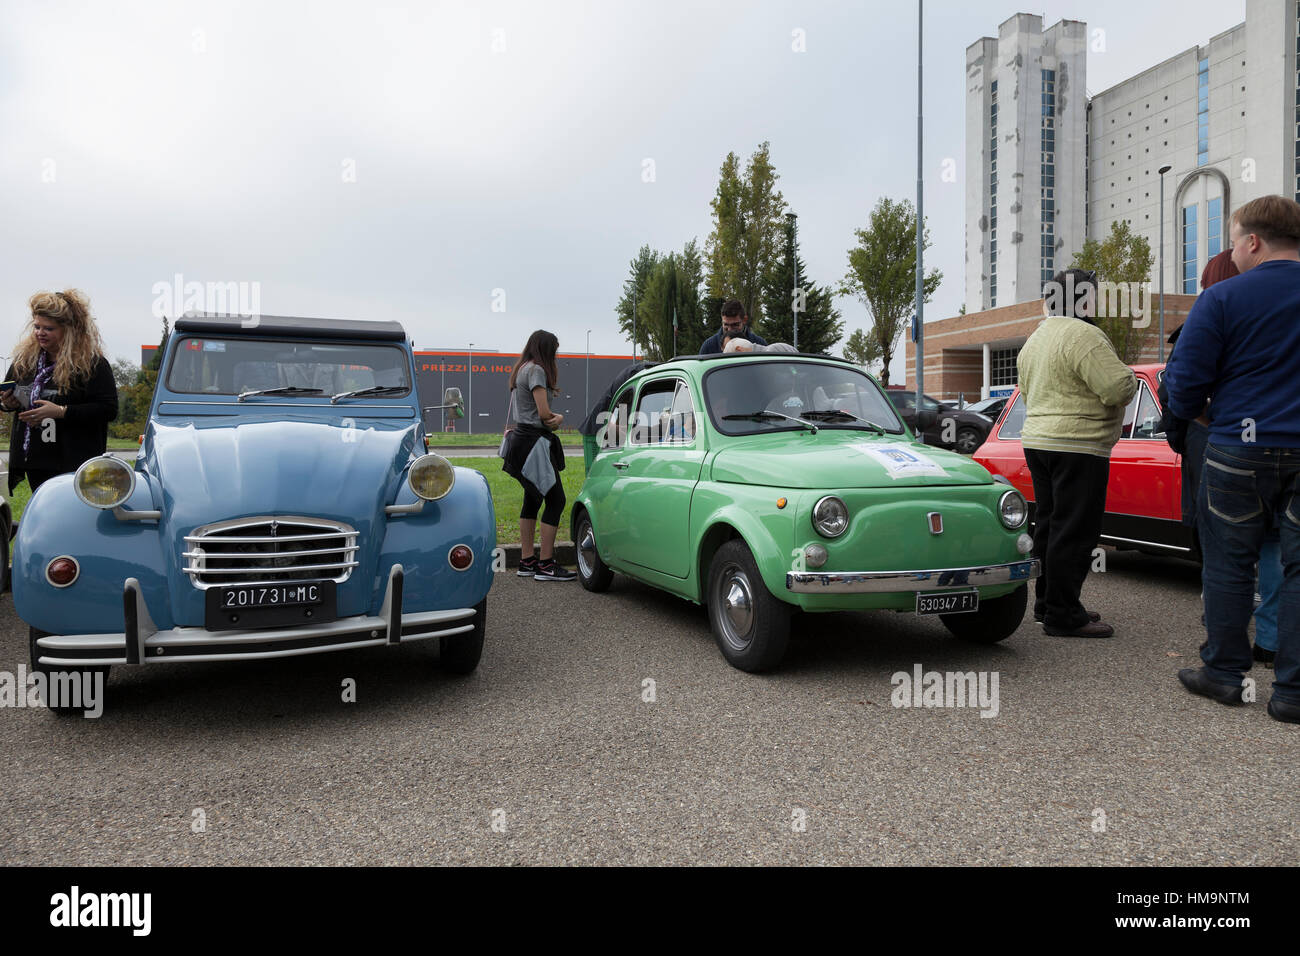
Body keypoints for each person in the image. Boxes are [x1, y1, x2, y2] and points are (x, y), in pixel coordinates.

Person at [1164, 195, 1300, 723]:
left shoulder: (1221, 299)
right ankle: (1291, 693)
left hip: (1237, 451)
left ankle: (1223, 674)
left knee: (1229, 564)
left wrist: (1209, 421)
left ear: (1252, 241)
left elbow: (1183, 387)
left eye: (1233, 240)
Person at [1159, 249, 1282, 666]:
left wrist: (1196, 422)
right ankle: (1273, 640)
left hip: (1222, 442)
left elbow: (1177, 386)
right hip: (1283, 443)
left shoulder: (1213, 309)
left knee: (1224, 552)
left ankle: (1224, 660)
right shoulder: (1279, 308)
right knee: (1276, 547)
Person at [1017, 268, 1138, 638]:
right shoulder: (1084, 335)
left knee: (1051, 526)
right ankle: (1064, 614)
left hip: (1038, 441)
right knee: (1076, 530)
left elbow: (1025, 389)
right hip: (1078, 444)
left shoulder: (1036, 338)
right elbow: (1117, 387)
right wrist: (1131, 378)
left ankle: (1046, 604)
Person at [3, 290, 118, 495]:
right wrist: (8, 403)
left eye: (49, 328)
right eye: (37, 327)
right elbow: (7, 397)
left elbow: (108, 410)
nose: (40, 333)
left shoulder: (93, 364)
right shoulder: (25, 361)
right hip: (35, 459)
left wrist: (62, 411)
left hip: (74, 461)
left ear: (69, 330)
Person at [501, 330, 575, 582]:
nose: (555, 356)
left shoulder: (522, 368)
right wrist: (561, 418)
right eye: (554, 351)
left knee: (532, 498)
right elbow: (544, 414)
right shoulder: (536, 371)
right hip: (534, 443)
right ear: (546, 350)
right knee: (556, 500)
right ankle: (545, 564)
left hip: (521, 441)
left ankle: (526, 561)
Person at [700, 300, 767, 355]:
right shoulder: (709, 347)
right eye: (726, 325)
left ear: (744, 320)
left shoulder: (759, 344)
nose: (729, 329)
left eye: (735, 325)